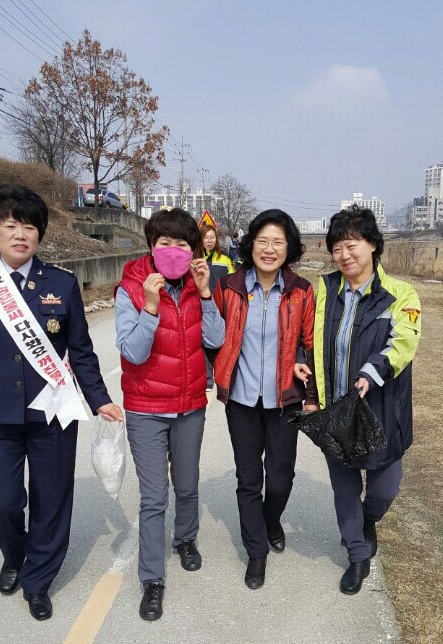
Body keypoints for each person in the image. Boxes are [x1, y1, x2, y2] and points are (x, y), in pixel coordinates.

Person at [0, 184, 123, 621]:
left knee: (51, 499)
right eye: (11, 225)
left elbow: (81, 350)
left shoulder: (60, 283)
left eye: (29, 226)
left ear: (40, 234)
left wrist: (99, 399)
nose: (20, 234)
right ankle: (14, 555)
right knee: (3, 501)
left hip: (53, 411)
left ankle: (38, 580)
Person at [115, 207, 225, 621]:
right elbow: (133, 352)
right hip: (146, 408)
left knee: (188, 483)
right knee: (154, 496)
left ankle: (185, 539)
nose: (174, 250)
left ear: (193, 249)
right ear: (151, 246)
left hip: (190, 404)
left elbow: (215, 339)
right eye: (165, 243)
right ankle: (152, 579)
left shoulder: (199, 285)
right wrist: (149, 306)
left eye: (182, 244)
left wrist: (206, 293)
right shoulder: (130, 288)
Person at [312, 204, 421, 595]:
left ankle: (367, 519)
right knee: (345, 490)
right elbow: (306, 338)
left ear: (373, 245)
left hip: (382, 410)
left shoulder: (400, 295)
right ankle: (357, 555)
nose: (344, 255)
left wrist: (372, 372)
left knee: (385, 488)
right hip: (336, 412)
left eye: (352, 244)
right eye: (337, 247)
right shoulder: (323, 290)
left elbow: (404, 341)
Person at [212, 209, 317, 590]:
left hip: (284, 400)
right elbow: (212, 335)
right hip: (241, 400)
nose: (269, 249)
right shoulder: (229, 287)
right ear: (250, 244)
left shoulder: (301, 291)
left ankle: (271, 521)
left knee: (281, 478)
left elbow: (309, 343)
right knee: (248, 480)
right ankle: (256, 552)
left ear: (289, 248)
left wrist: (310, 395)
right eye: (262, 241)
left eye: (278, 242)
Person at [197, 223, 235, 390]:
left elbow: (233, 281)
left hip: (221, 305)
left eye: (212, 237)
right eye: (206, 237)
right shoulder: (195, 259)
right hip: (201, 305)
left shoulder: (225, 259)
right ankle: (208, 379)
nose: (210, 240)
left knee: (220, 341)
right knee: (203, 341)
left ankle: (222, 376)